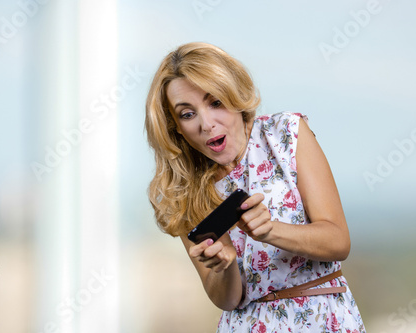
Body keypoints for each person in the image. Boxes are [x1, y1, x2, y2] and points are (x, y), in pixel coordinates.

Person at [145, 42, 366, 332]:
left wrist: (271, 230)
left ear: (235, 97)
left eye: (215, 103)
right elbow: (227, 299)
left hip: (322, 317)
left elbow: (338, 242)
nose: (207, 124)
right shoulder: (184, 190)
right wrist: (224, 268)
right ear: (175, 127)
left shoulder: (286, 134)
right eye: (187, 114)